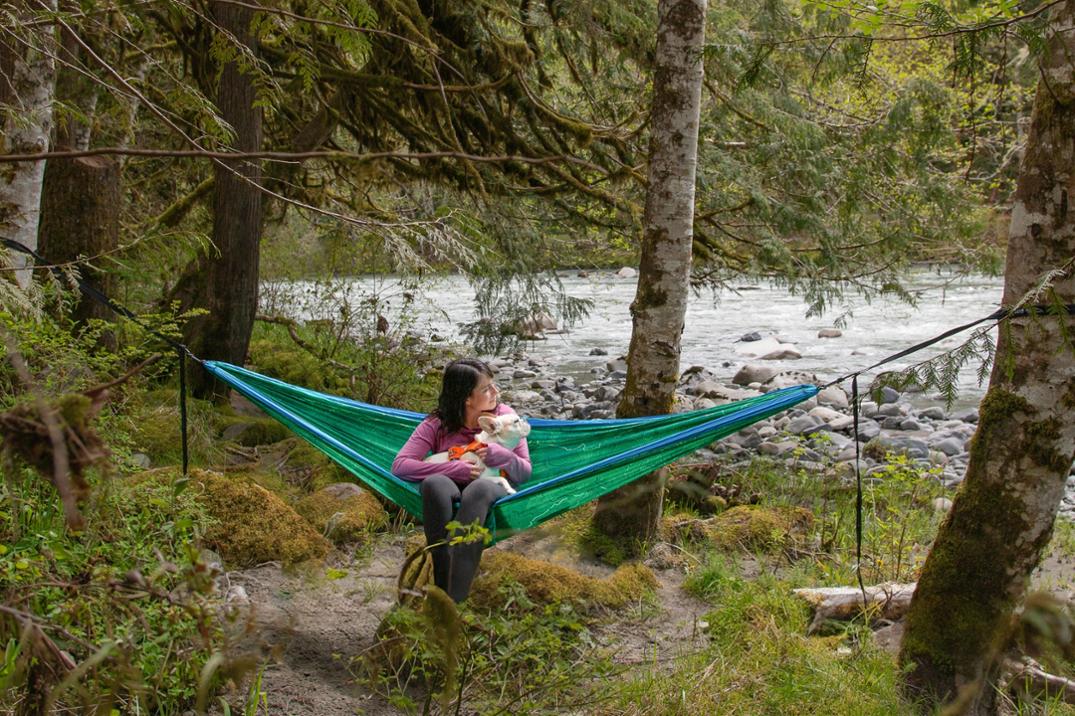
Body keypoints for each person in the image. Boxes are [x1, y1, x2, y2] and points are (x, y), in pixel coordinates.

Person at [392, 359, 531, 602]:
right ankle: (441, 591)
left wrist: (505, 457)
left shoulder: (505, 419)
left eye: (493, 385)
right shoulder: (437, 424)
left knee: (478, 489)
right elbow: (400, 465)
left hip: (492, 486)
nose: (496, 392)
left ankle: (455, 600)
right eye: (486, 388)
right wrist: (451, 469)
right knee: (434, 484)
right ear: (467, 398)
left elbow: (525, 473)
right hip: (451, 486)